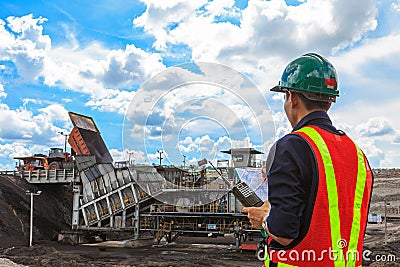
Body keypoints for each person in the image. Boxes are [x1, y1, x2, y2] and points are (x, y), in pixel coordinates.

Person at [242, 53, 373, 267]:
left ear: (292, 97)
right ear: (329, 102)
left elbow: (284, 233)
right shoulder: (357, 154)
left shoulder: (291, 146)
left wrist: (265, 217)